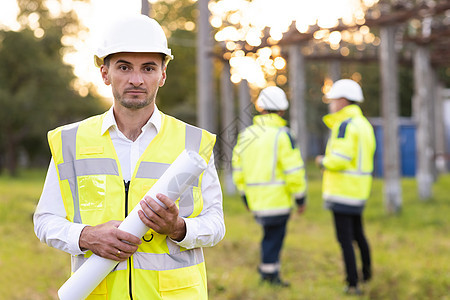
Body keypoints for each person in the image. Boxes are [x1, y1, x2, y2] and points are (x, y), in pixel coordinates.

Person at [33, 15, 225, 300]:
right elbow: (45, 220)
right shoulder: (70, 141)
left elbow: (216, 223)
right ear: (105, 73)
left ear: (162, 75)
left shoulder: (194, 143)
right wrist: (86, 236)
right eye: (124, 67)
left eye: (148, 68)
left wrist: (179, 227)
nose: (136, 79)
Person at [232, 86, 307, 286]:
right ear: (282, 110)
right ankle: (270, 275)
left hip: (255, 200)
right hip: (278, 200)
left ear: (260, 107)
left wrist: (244, 196)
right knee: (274, 238)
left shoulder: (247, 135)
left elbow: (238, 169)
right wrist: (300, 198)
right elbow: (294, 171)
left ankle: (267, 270)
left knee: (268, 237)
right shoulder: (284, 135)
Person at [315, 79, 375, 295]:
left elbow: (340, 158)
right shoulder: (363, 124)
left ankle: (352, 284)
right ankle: (367, 275)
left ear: (342, 101)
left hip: (343, 192)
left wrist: (322, 161)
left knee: (345, 241)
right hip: (359, 190)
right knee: (359, 235)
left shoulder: (345, 125)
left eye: (332, 100)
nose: (330, 104)